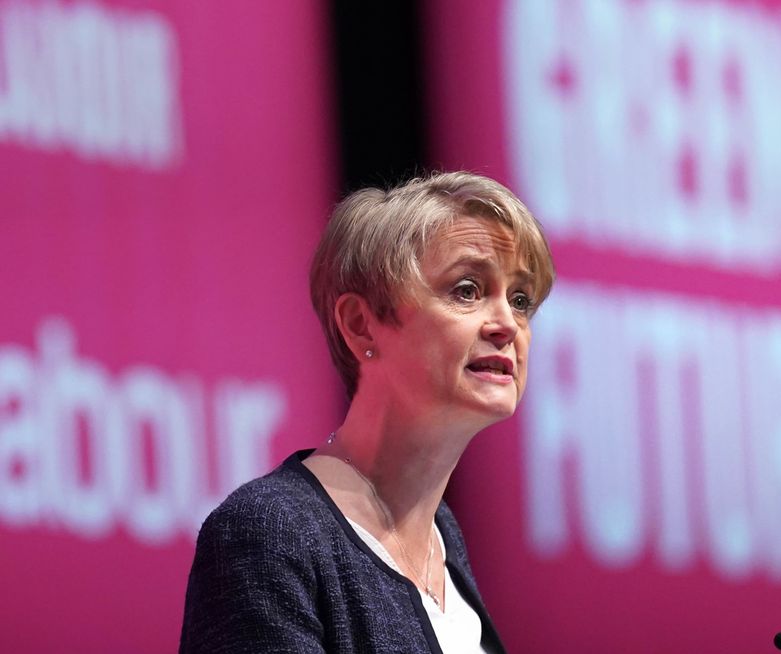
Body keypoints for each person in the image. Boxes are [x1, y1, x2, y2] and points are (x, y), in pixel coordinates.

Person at [179, 171, 555, 653]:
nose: (507, 324)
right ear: (362, 325)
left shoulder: (443, 538)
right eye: (467, 290)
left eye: (520, 300)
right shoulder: (269, 533)